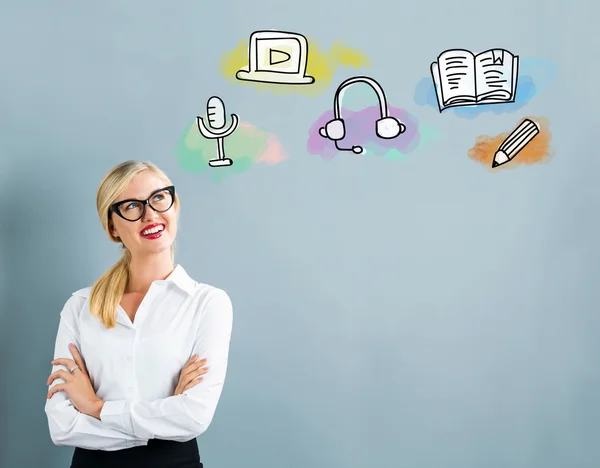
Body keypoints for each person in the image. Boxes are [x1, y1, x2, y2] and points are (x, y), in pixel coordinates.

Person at [44, 160, 233, 468]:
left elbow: (194, 417)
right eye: (132, 206)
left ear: (175, 205)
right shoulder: (80, 307)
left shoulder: (208, 303)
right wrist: (163, 417)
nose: (150, 214)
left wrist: (94, 406)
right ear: (112, 227)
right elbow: (61, 425)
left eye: (159, 198)